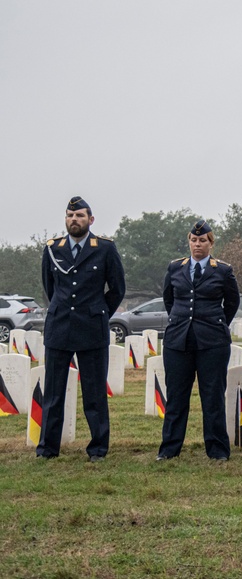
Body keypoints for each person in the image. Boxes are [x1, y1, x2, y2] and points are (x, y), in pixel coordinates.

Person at [37, 196, 126, 461]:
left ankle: (98, 448)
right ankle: (47, 449)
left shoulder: (105, 248)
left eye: (79, 216)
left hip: (91, 329)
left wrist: (97, 312)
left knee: (94, 394)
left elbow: (117, 288)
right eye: (70, 216)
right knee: (53, 394)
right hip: (59, 328)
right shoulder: (53, 248)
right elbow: (50, 288)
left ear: (91, 219)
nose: (74, 220)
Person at [157, 220, 240, 462]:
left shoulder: (222, 270)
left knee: (212, 396)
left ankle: (217, 450)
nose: (197, 244)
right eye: (193, 240)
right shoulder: (175, 268)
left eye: (202, 240)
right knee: (176, 397)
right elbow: (169, 300)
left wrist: (216, 323)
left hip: (212, 342)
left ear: (211, 244)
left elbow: (231, 303)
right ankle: (169, 449)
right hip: (178, 341)